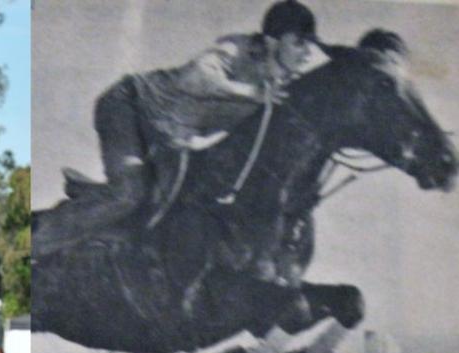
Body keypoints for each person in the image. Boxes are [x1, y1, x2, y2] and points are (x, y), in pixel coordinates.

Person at [33, 0, 324, 256]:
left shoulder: (278, 86)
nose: (307, 53)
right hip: (129, 108)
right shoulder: (237, 49)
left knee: (171, 208)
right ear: (273, 42)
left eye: (310, 45)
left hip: (169, 137)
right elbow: (195, 79)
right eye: (299, 42)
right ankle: (32, 245)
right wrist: (253, 94)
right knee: (130, 193)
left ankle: (94, 220)